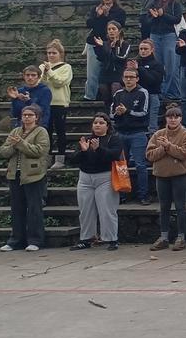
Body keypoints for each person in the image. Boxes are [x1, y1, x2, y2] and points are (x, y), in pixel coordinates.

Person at [67, 113, 123, 251]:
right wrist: (84, 151)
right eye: (95, 123)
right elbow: (73, 158)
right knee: (85, 210)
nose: (97, 125)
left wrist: (99, 149)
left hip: (104, 177)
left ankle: (111, 239)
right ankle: (86, 239)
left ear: (107, 125)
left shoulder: (113, 138)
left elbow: (114, 155)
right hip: (85, 178)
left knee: (107, 209)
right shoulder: (86, 139)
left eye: (101, 123)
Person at [0, 104, 50, 252]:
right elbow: (4, 150)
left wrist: (20, 143)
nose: (27, 117)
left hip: (34, 175)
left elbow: (39, 151)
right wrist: (14, 146)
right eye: (24, 115)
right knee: (16, 208)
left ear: (37, 117)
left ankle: (35, 240)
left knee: (34, 208)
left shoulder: (41, 132)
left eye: (30, 115)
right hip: (15, 174)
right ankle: (15, 240)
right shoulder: (16, 131)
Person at [146, 105, 186, 252]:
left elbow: (184, 153)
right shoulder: (158, 134)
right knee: (163, 206)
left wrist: (168, 146)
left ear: (180, 118)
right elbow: (149, 155)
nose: (173, 120)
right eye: (170, 117)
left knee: (180, 206)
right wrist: (163, 148)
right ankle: (164, 236)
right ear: (166, 118)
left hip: (180, 174)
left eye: (176, 117)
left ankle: (181, 236)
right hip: (161, 174)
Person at [111, 68, 152, 204]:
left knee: (140, 165)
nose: (128, 80)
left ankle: (143, 195)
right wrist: (118, 113)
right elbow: (111, 114)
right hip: (121, 133)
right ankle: (122, 195)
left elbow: (144, 113)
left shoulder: (143, 92)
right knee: (121, 165)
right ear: (122, 79)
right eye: (126, 77)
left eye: (131, 77)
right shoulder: (118, 94)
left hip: (137, 133)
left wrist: (127, 111)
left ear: (137, 78)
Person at [84, 0, 127, 102]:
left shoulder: (119, 11)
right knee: (92, 72)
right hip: (95, 41)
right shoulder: (96, 9)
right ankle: (90, 96)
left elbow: (119, 25)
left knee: (108, 69)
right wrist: (98, 16)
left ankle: (107, 96)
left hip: (110, 43)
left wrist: (106, 16)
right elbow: (89, 23)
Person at [36, 40, 71, 169]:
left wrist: (50, 72)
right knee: (46, 131)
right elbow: (40, 83)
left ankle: (60, 158)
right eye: (49, 53)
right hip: (45, 103)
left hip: (60, 103)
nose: (51, 55)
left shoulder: (66, 67)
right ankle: (47, 157)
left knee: (60, 131)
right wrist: (45, 73)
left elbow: (60, 82)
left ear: (60, 54)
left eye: (54, 53)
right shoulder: (42, 67)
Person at [147, 0, 184, 101]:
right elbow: (147, 21)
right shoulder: (154, 2)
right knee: (158, 64)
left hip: (169, 35)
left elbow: (177, 19)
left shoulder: (175, 2)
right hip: (155, 35)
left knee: (171, 65)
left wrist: (163, 15)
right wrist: (154, 16)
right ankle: (161, 91)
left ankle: (171, 92)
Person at [93, 21, 130, 111]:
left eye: (113, 29)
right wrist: (99, 47)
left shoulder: (125, 44)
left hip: (117, 73)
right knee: (104, 91)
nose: (111, 31)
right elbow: (101, 58)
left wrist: (108, 48)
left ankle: (116, 111)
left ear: (119, 31)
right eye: (109, 29)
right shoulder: (104, 43)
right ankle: (107, 112)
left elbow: (121, 58)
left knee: (115, 88)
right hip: (105, 72)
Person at [134, 39, 165, 134]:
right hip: (137, 95)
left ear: (152, 50)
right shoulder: (135, 62)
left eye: (145, 49)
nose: (143, 51)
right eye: (141, 49)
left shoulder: (157, 65)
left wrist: (140, 69)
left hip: (152, 94)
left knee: (152, 122)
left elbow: (154, 81)